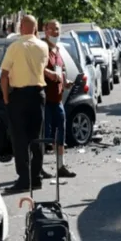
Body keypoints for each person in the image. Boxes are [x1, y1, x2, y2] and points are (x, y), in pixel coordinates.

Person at [0, 15, 48, 193]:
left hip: (19, 96)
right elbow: (42, 68)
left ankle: (23, 179)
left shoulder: (15, 47)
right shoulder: (43, 46)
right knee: (37, 138)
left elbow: (4, 75)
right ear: (35, 28)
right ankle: (36, 177)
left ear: (21, 28)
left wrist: (6, 98)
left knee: (20, 139)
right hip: (38, 94)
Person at [41, 20, 76, 179]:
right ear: (45, 30)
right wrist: (49, 74)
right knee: (44, 135)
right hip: (45, 100)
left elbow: (60, 70)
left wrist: (65, 80)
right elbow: (38, 67)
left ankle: (60, 166)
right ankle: (39, 167)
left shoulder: (57, 49)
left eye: (57, 30)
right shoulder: (42, 49)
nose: (55, 32)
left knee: (60, 133)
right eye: (52, 29)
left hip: (58, 99)